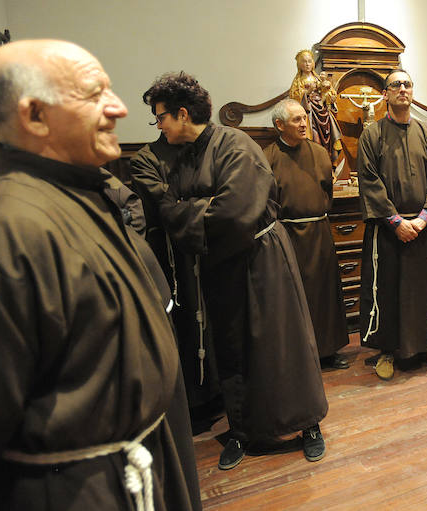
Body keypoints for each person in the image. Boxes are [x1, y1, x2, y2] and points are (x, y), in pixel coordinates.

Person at [0, 40, 201, 510]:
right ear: (35, 115)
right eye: (94, 93)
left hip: (133, 467)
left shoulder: (82, 191)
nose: (119, 108)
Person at [138, 72, 328, 470]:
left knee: (282, 343)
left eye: (161, 118)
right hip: (220, 264)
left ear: (183, 113)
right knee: (232, 346)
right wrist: (194, 207)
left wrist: (189, 208)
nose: (159, 127)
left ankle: (306, 424)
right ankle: (242, 430)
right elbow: (170, 204)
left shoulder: (235, 145)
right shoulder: (187, 155)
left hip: (262, 259)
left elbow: (233, 212)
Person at [356, 69, 427, 380]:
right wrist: (396, 221)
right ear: (385, 94)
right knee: (387, 288)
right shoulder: (372, 135)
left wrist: (423, 219)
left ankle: (424, 344)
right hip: (388, 227)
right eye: (396, 85)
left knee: (420, 289)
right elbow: (370, 182)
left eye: (407, 84)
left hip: (421, 227)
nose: (403, 89)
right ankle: (387, 350)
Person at [130, 132, 224, 430]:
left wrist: (195, 200)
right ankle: (194, 403)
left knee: (212, 321)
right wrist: (200, 200)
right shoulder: (144, 158)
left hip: (204, 245)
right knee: (184, 324)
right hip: (171, 256)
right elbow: (165, 201)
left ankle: (218, 392)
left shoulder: (198, 150)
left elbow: (219, 192)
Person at [263, 99, 350, 370]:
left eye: (304, 118)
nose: (304, 124)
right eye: (297, 120)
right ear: (279, 125)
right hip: (288, 235)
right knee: (293, 296)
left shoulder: (320, 152)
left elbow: (327, 190)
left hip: (320, 231)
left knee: (325, 293)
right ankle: (298, 355)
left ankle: (329, 350)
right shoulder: (267, 157)